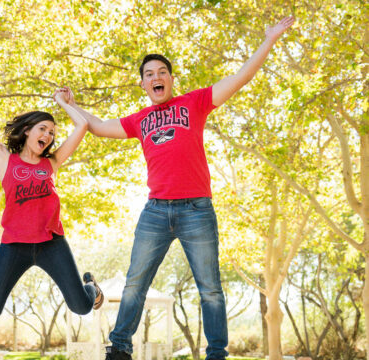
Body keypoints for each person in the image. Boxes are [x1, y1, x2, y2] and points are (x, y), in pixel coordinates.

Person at [63, 16, 296, 360]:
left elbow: (241, 76)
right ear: (142, 84)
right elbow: (94, 126)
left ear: (171, 79)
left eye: (161, 72)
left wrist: (270, 39)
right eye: (149, 74)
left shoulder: (195, 102)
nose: (156, 77)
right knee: (133, 285)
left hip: (196, 210)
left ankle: (217, 353)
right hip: (155, 211)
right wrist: (68, 104)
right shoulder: (138, 120)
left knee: (211, 290)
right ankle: (120, 349)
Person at [0, 65, 104, 321]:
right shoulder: (5, 159)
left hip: (51, 244)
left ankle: (90, 286)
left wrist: (64, 102)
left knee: (82, 306)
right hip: (14, 245)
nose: (48, 135)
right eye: (43, 129)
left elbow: (82, 125)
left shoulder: (52, 163)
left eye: (52, 133)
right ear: (28, 130)